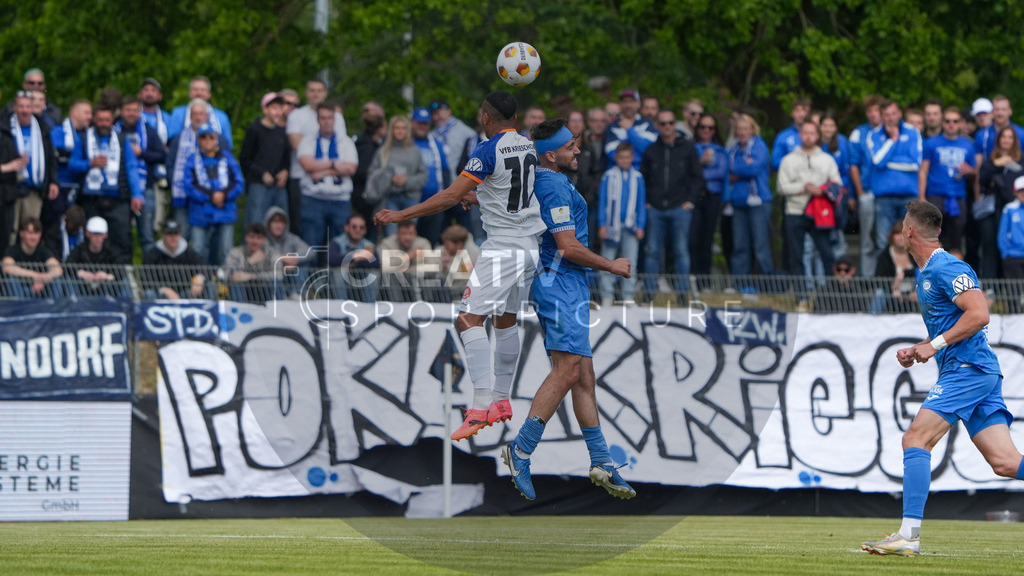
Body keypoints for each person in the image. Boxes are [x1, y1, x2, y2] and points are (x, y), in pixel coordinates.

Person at [375, 90, 546, 442]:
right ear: (515, 119)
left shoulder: (486, 150)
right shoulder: (527, 145)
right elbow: (510, 186)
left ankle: (481, 403)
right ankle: (501, 400)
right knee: (505, 319)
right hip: (529, 246)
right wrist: (478, 195)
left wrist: (401, 214)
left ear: (486, 118)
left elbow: (449, 196)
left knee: (467, 318)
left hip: (502, 247)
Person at [861, 200, 1024, 557]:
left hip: (968, 370)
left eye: (903, 224)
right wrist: (920, 347)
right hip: (975, 371)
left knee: (915, 439)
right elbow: (957, 324)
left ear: (909, 231)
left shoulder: (947, 266)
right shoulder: (927, 273)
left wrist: (933, 345)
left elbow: (980, 314)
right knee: (1006, 463)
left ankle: (908, 535)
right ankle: (908, 536)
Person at [500, 118, 634, 501]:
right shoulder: (554, 183)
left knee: (584, 374)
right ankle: (522, 450)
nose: (578, 151)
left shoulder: (539, 179)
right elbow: (567, 246)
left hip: (563, 283)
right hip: (560, 281)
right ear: (551, 155)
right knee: (569, 368)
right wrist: (612, 265)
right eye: (572, 146)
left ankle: (601, 460)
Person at [640, 108, 703, 297]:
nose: (667, 126)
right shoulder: (651, 151)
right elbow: (643, 179)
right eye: (663, 123)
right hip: (655, 209)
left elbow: (698, 178)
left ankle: (682, 293)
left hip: (680, 208)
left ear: (675, 124)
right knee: (652, 251)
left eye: (670, 123)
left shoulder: (688, 148)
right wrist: (647, 202)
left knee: (681, 251)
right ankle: (649, 292)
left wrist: (690, 201)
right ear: (658, 126)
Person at [776, 120, 842, 295]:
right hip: (794, 211)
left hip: (819, 213)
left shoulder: (827, 160)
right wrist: (802, 188)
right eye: (805, 133)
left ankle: (829, 295)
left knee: (826, 254)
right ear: (800, 135)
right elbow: (781, 187)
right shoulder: (788, 160)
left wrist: (822, 190)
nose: (808, 136)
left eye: (812, 133)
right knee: (796, 256)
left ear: (818, 136)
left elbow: (837, 185)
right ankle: (801, 296)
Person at [71, 105, 143, 258]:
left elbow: (131, 167)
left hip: (117, 197)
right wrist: (90, 164)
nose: (103, 123)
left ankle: (123, 276)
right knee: (90, 237)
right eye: (100, 120)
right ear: (95, 120)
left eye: (107, 120)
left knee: (122, 238)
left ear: (112, 121)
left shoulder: (122, 139)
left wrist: (137, 194)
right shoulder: (84, 138)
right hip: (91, 198)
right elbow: (72, 164)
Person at [287, 79, 347, 236]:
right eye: (312, 90)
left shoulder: (337, 117)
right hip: (301, 176)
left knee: (333, 234)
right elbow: (297, 146)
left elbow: (341, 148)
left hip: (332, 181)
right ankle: (308, 261)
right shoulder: (297, 115)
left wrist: (322, 168)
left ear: (325, 93)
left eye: (319, 90)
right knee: (303, 226)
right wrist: (329, 165)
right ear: (306, 93)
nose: (316, 94)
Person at [297, 103, 359, 252]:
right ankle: (309, 276)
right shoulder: (307, 141)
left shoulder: (345, 141)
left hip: (340, 200)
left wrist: (323, 171)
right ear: (317, 120)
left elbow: (351, 168)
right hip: (313, 198)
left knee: (340, 246)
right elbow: (307, 165)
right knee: (310, 245)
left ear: (334, 119)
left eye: (330, 118)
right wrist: (334, 164)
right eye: (323, 118)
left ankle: (337, 276)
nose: (326, 121)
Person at [5, 91, 59, 250]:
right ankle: (7, 269)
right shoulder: (5, 127)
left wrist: (53, 181)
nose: (25, 110)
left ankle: (26, 269)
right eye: (21, 106)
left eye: (28, 106)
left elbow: (51, 157)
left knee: (31, 231)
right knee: (10, 230)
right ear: (14, 107)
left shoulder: (43, 128)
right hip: (10, 188)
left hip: (34, 189)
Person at [183, 124, 244, 265]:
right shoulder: (192, 159)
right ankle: (199, 283)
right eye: (203, 137)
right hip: (200, 212)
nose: (207, 140)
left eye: (211, 136)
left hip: (225, 210)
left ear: (216, 138)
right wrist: (211, 196)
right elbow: (189, 186)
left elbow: (239, 183)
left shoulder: (228, 158)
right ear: (198, 140)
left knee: (226, 249)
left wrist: (223, 195)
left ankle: (228, 284)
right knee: (198, 248)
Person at [919, 107, 975, 258]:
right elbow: (923, 170)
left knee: (957, 240)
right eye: (948, 121)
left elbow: (975, 173)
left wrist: (969, 170)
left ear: (961, 124)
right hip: (935, 195)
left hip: (958, 196)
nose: (951, 124)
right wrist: (922, 196)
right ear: (942, 123)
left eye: (955, 121)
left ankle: (954, 276)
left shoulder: (968, 144)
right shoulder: (931, 143)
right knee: (933, 239)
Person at [868, 99, 923, 255]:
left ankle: (911, 277)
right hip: (883, 198)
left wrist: (889, 163)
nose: (890, 118)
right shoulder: (874, 134)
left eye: (893, 113)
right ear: (882, 116)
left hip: (909, 196)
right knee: (883, 241)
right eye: (886, 115)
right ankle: (887, 278)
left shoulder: (913, 132)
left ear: (899, 113)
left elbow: (915, 163)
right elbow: (878, 161)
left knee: (911, 240)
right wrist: (892, 141)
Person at [117, 96, 167, 256]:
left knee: (147, 235)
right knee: (122, 235)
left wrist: (142, 153)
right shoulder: (114, 131)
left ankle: (150, 277)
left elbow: (162, 155)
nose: (132, 113)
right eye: (128, 110)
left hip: (146, 188)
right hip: (121, 190)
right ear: (121, 111)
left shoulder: (148, 131)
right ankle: (125, 275)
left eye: (135, 110)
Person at [598, 142, 645, 306]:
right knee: (607, 260)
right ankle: (607, 295)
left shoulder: (638, 177)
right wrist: (602, 224)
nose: (624, 161)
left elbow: (641, 203)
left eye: (627, 157)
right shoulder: (608, 176)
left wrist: (641, 225)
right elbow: (603, 202)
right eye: (621, 157)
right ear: (616, 158)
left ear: (632, 158)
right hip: (612, 225)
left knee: (631, 262)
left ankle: (628, 296)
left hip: (631, 226)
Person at [727, 113, 774, 277]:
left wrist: (737, 171)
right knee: (740, 245)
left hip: (759, 201)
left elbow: (753, 169)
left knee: (761, 245)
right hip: (739, 202)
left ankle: (767, 283)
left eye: (745, 128)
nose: (742, 132)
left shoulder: (759, 146)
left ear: (752, 129)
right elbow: (728, 169)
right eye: (739, 128)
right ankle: (740, 283)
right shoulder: (733, 150)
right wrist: (743, 166)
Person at [366, 115, 427, 238]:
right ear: (391, 130)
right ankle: (393, 257)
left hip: (411, 198)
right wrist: (389, 179)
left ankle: (409, 257)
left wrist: (407, 181)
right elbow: (372, 175)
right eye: (397, 128)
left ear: (408, 130)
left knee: (408, 235)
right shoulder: (383, 152)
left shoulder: (415, 152)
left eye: (403, 128)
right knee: (391, 235)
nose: (400, 131)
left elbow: (424, 177)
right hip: (389, 198)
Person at [977, 126, 1024, 279]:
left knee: (1011, 247)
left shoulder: (1021, 160)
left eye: (1010, 137)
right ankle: (990, 286)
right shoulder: (991, 160)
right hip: (992, 209)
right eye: (1004, 137)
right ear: (998, 140)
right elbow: (982, 180)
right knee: (990, 246)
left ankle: (1008, 286)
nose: (1007, 140)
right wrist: (997, 164)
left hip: (1013, 210)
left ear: (1014, 141)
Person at [240, 92, 290, 226]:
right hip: (259, 185)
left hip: (279, 187)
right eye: (274, 108)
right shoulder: (254, 129)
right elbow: (244, 159)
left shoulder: (282, 132)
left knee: (281, 222)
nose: (278, 112)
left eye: (280, 108)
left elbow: (287, 158)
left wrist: (285, 171)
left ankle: (279, 248)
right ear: (265, 110)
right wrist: (261, 173)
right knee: (256, 222)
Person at [849, 95, 884, 276]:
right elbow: (853, 165)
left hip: (886, 194)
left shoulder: (889, 132)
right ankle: (867, 280)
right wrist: (859, 193)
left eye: (876, 110)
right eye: (869, 111)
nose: (873, 115)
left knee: (884, 239)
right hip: (867, 192)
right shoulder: (858, 133)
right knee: (866, 240)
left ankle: (885, 279)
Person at [691, 113, 729, 276]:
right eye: (703, 127)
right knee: (692, 237)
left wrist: (699, 170)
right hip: (694, 196)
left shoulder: (721, 150)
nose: (706, 130)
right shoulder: (691, 148)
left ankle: (704, 278)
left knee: (707, 238)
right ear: (698, 129)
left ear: (715, 130)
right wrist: (700, 163)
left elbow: (722, 173)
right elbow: (686, 172)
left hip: (713, 197)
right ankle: (691, 275)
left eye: (710, 127)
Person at [410, 107, 451, 246]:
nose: (422, 126)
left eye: (425, 123)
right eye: (419, 123)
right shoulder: (406, 142)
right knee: (409, 240)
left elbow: (445, 171)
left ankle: (429, 269)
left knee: (431, 242)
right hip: (411, 201)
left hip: (434, 202)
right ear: (412, 123)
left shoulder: (436, 144)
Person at [141, 220, 210, 300]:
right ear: (163, 235)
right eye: (169, 234)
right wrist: (164, 290)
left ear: (180, 235)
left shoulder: (187, 251)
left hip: (185, 294)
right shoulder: (154, 253)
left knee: (209, 285)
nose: (173, 237)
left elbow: (205, 267)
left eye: (176, 234)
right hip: (161, 295)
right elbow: (145, 277)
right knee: (149, 294)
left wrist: (200, 277)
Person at [65, 216, 130, 298]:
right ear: (88, 234)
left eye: (100, 234)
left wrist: (107, 276)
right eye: (94, 234)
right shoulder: (80, 250)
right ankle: (74, 304)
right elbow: (68, 265)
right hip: (83, 287)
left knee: (124, 281)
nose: (97, 238)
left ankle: (123, 306)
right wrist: (81, 273)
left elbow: (121, 267)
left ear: (105, 235)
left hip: (107, 288)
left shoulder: (112, 251)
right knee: (68, 279)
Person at [2, 217, 62, 297]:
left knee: (56, 280)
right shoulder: (13, 250)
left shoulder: (43, 251)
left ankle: (55, 308)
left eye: (36, 233)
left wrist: (44, 279)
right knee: (11, 279)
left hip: (40, 290)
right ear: (22, 233)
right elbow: (7, 267)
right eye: (30, 233)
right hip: (19, 289)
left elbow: (58, 269)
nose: (33, 237)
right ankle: (18, 307)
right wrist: (35, 275)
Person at [168, 76, 233, 149]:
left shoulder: (222, 117)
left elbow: (228, 145)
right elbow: (172, 141)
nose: (199, 93)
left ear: (209, 94)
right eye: (195, 89)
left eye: (203, 90)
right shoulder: (178, 113)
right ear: (189, 93)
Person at [224, 223, 282, 303]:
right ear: (246, 238)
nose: (255, 241)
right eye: (252, 237)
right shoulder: (235, 252)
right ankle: (240, 310)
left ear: (264, 240)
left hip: (265, 289)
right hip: (243, 289)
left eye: (259, 238)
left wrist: (252, 276)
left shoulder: (272, 253)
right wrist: (249, 262)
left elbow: (279, 275)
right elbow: (228, 274)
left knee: (276, 282)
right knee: (236, 282)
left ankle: (276, 311)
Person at [377, 219, 431, 302]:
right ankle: (397, 309)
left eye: (410, 233)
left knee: (434, 280)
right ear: (397, 234)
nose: (407, 237)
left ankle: (427, 309)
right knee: (391, 277)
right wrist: (408, 256)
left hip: (417, 278)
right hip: (394, 281)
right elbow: (384, 267)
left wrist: (410, 271)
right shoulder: (387, 243)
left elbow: (431, 267)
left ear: (415, 233)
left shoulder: (423, 243)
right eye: (404, 233)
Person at [328, 214, 378, 301]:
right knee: (339, 271)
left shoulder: (369, 245)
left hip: (360, 278)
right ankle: (341, 306)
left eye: (361, 227)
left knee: (374, 273)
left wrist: (352, 261)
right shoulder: (337, 242)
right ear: (346, 228)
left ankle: (369, 308)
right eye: (354, 227)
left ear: (365, 230)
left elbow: (376, 263)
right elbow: (331, 259)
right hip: (339, 280)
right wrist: (358, 256)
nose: (358, 230)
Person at [603, 89, 656, 169]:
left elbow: (648, 151)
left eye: (631, 101)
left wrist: (629, 130)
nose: (628, 105)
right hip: (617, 176)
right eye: (625, 101)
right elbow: (611, 153)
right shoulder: (612, 126)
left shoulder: (648, 124)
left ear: (638, 104)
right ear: (620, 104)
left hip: (642, 175)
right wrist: (639, 157)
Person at [872, 221, 917, 314]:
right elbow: (879, 279)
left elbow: (922, 270)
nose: (900, 237)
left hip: (913, 293)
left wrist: (904, 274)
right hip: (892, 294)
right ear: (892, 237)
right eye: (897, 234)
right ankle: (873, 322)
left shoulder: (915, 253)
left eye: (902, 234)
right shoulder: (884, 256)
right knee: (879, 293)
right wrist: (893, 290)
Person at [770, 97, 811, 172]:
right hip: (790, 180)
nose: (801, 114)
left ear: (809, 113)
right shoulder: (783, 137)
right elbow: (775, 163)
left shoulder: (817, 135)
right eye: (797, 110)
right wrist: (795, 163)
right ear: (792, 113)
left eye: (804, 110)